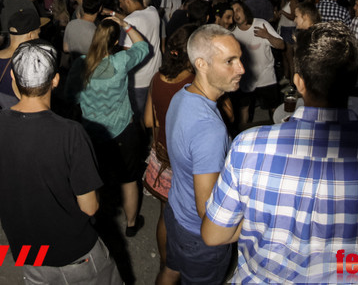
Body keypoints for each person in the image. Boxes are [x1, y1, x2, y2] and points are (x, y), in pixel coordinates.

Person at [201, 22, 358, 282]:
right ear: (355, 77)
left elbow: (214, 235)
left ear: (298, 82)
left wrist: (265, 222)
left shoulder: (248, 146)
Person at [0, 40, 121, 285]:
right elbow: (89, 207)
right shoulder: (71, 133)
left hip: (29, 256)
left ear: (13, 77)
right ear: (55, 80)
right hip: (75, 255)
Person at [162, 24, 243, 285]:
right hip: (197, 237)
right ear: (201, 64)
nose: (241, 68)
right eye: (230, 61)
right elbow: (207, 212)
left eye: (239, 59)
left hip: (176, 212)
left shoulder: (183, 94)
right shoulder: (210, 129)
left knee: (170, 271)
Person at [67, 17, 150, 237]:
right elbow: (143, 47)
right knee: (128, 180)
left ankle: (98, 222)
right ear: (115, 42)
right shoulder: (121, 61)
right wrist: (126, 25)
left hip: (92, 134)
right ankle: (131, 224)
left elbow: (70, 97)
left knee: (96, 180)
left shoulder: (80, 64)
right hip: (123, 132)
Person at [143, 24, 198, 280]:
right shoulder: (194, 83)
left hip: (164, 157)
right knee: (192, 217)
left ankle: (166, 264)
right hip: (187, 162)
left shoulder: (158, 77)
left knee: (166, 214)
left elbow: (148, 121)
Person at [230, 1, 284, 126]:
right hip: (244, 79)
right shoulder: (232, 32)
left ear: (245, 10)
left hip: (266, 76)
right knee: (244, 110)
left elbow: (281, 45)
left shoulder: (260, 24)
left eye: (238, 10)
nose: (235, 14)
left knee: (274, 109)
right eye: (232, 12)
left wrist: (267, 35)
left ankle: (277, 132)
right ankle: (243, 135)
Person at [114, 0, 163, 118]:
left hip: (138, 80)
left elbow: (128, 56)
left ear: (127, 1)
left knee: (138, 118)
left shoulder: (130, 21)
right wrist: (112, 14)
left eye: (121, 2)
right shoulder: (153, 11)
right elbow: (137, 18)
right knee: (153, 115)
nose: (120, 6)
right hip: (154, 75)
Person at [0, 8, 47, 109]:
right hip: (21, 117)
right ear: (31, 35)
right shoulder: (26, 64)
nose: (38, 38)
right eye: (38, 34)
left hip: (1, 116)